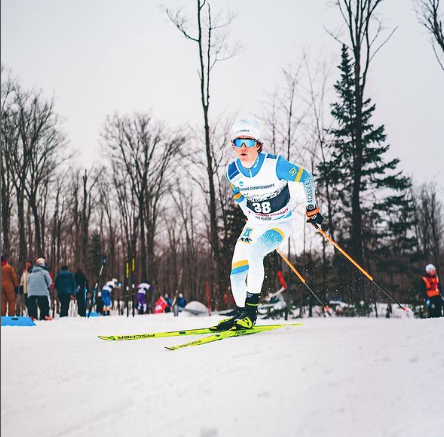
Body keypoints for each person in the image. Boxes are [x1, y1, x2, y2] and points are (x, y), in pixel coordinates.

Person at [211, 119, 323, 331]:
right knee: (236, 274)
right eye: (239, 141)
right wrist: (248, 213)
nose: (243, 147)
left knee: (256, 252)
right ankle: (241, 314)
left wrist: (312, 208)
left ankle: (251, 313)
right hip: (254, 224)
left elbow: (306, 178)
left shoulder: (275, 165)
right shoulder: (232, 172)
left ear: (258, 145)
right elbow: (239, 196)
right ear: (233, 145)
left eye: (248, 141)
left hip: (279, 224)